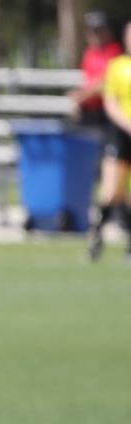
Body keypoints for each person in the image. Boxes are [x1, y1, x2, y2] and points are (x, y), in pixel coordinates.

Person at [87, 19, 131, 263]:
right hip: (120, 134)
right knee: (112, 190)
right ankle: (96, 234)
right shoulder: (118, 66)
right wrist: (128, 125)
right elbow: (111, 102)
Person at [71, 11, 123, 132]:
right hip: (88, 111)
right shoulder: (89, 53)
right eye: (91, 31)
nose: (94, 35)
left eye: (98, 30)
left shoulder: (115, 52)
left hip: (106, 112)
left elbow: (104, 83)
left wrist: (80, 96)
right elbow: (88, 81)